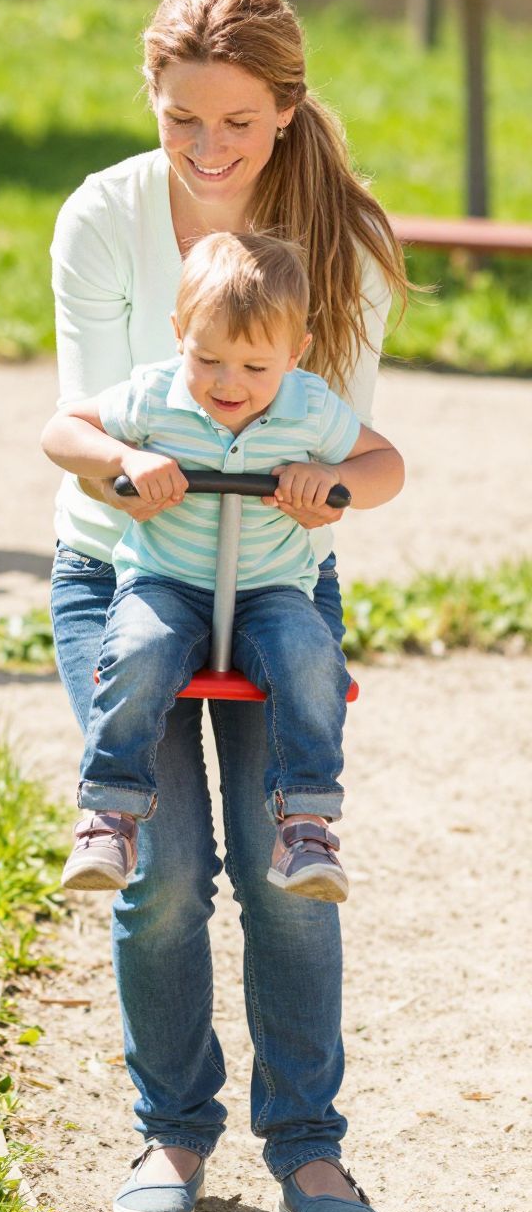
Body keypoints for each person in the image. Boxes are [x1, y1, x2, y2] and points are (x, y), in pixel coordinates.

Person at [49, 0, 407, 1212]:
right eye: (180, 116)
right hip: (128, 565)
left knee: (281, 866)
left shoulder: (343, 240)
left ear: (287, 113)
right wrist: (121, 468)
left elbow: (346, 444)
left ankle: (310, 1148)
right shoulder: (101, 216)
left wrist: (332, 497)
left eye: (238, 123)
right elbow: (89, 415)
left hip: (271, 574)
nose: (207, 150)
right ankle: (174, 1127)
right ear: (151, 95)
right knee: (165, 870)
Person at [43, 230, 404, 903]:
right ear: (179, 333)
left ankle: (306, 821)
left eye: (255, 368)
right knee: (137, 647)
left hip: (272, 587)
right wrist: (124, 459)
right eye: (207, 358)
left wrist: (330, 479)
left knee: (308, 652)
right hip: (167, 582)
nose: (227, 383)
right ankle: (111, 811)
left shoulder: (309, 405)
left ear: (295, 355)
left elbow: (388, 466)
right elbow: (61, 432)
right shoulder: (154, 395)